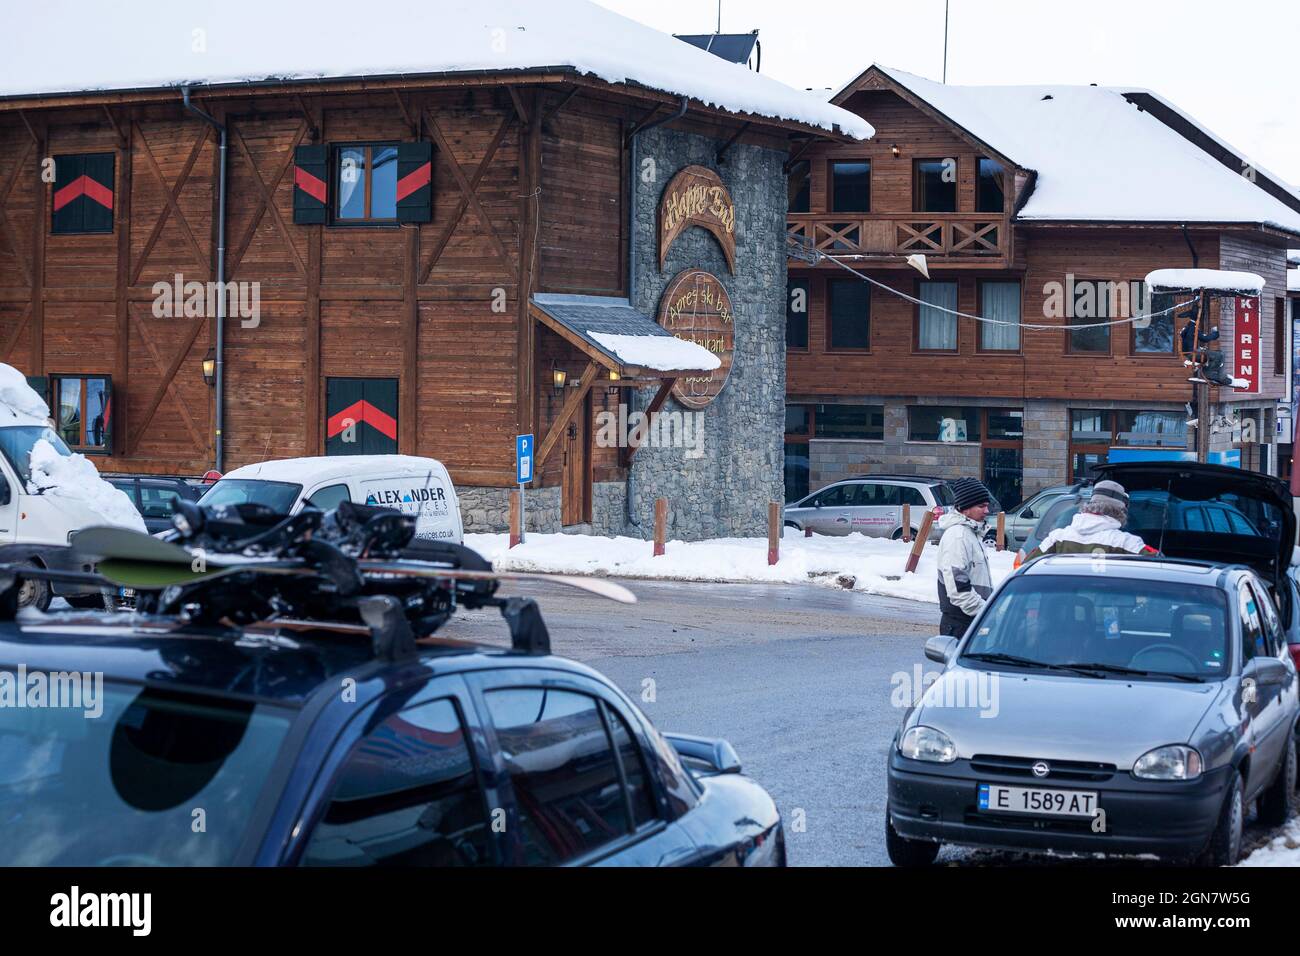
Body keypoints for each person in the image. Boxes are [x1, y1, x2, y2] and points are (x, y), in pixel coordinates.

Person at [1024, 480, 1158, 561]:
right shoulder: (1126, 543)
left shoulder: (1057, 538)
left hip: (1061, 607)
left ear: (1089, 504)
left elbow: (1027, 567)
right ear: (1120, 511)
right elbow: (1160, 565)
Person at [936, 477, 994, 637]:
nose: (986, 511)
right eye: (981, 506)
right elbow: (958, 590)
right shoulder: (958, 537)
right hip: (962, 624)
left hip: (972, 621)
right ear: (964, 508)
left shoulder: (971, 534)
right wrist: (986, 613)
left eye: (987, 506)